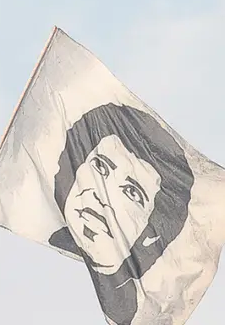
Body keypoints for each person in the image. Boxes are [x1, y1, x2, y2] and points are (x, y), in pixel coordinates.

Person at [46, 103, 195, 325]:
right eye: (100, 167)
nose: (103, 197)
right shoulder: (42, 235)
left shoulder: (129, 310)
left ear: (150, 236)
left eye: (131, 192)